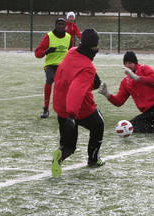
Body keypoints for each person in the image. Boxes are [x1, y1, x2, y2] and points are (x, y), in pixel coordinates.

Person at [51, 28, 104, 178]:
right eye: (97, 45)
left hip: (61, 106)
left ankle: (60, 155)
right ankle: (93, 159)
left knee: (69, 145)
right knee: (98, 124)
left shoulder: (72, 51)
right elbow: (76, 90)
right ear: (93, 47)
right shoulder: (88, 67)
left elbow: (74, 70)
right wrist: (72, 115)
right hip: (79, 108)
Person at [35, 18, 72, 118]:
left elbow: (71, 52)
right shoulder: (48, 36)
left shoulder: (68, 37)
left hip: (63, 66)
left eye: (63, 24)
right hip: (50, 65)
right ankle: (46, 109)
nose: (61, 26)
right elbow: (37, 53)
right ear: (55, 25)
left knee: (69, 85)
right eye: (59, 24)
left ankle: (68, 108)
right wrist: (46, 51)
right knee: (50, 80)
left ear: (65, 26)